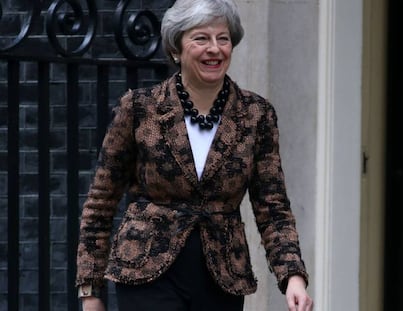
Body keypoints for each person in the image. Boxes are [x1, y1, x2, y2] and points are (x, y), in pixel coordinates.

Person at [76, 0, 313, 310]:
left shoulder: (256, 114)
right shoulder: (138, 109)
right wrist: (90, 290)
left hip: (221, 277)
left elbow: (273, 206)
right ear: (177, 47)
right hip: (146, 272)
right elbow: (101, 202)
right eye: (201, 38)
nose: (214, 48)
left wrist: (292, 274)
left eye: (223, 38)